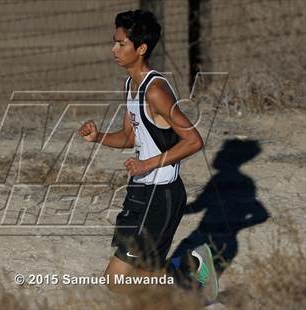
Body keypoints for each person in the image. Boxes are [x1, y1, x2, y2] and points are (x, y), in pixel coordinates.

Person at [78, 10, 218, 301]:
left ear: (141, 49)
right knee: (128, 283)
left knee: (117, 280)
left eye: (121, 44)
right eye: (114, 42)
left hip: (161, 194)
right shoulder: (131, 85)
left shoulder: (155, 90)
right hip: (141, 192)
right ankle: (192, 288)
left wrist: (147, 163)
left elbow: (193, 140)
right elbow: (129, 137)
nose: (113, 49)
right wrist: (98, 137)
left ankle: (193, 270)